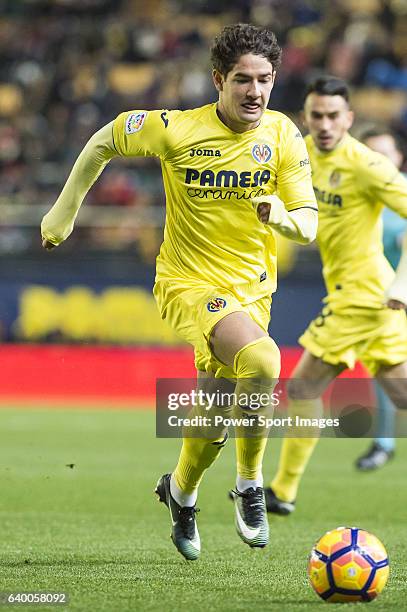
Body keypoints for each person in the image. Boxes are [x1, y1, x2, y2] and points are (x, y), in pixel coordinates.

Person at [40, 23, 318, 559]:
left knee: (211, 418)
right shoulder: (176, 129)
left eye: (264, 79)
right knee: (263, 361)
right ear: (218, 79)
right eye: (242, 80)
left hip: (253, 291)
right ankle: (250, 484)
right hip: (187, 283)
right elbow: (104, 139)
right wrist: (63, 213)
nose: (255, 92)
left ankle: (181, 493)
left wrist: (281, 216)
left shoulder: (283, 135)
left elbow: (307, 221)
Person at [264, 76, 407, 516]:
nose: (324, 124)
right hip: (367, 298)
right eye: (316, 115)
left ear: (349, 118)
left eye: (333, 116)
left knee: (304, 384)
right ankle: (283, 491)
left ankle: (283, 491)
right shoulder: (299, 152)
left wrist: (403, 284)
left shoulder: (367, 165)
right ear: (305, 117)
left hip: (361, 296)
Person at [355, 128, 407, 470]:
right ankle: (383, 442)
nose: (381, 162)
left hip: (398, 293)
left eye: (386, 154)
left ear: (400, 157)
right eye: (372, 155)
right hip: (383, 300)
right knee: (385, 369)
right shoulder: (359, 196)